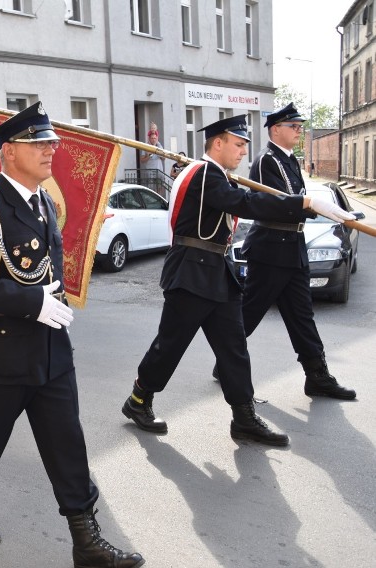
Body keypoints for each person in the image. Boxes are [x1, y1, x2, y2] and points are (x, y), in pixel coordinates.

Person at [0, 102, 144, 568]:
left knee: (67, 442)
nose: (52, 148)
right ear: (9, 152)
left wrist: (52, 299)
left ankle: (86, 539)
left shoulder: (44, 204)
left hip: (51, 350)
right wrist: (32, 302)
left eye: (51, 141)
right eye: (40, 142)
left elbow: (46, 269)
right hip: (1, 351)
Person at [120, 115, 355, 447]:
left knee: (233, 347)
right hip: (190, 271)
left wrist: (308, 206)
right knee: (170, 345)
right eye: (239, 144)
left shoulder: (215, 175)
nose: (244, 151)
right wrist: (302, 203)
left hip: (216, 269)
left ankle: (243, 418)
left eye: (245, 145)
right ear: (218, 143)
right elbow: (246, 203)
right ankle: (139, 399)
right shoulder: (205, 175)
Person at [238, 103, 356, 400]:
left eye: (300, 126)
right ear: (275, 129)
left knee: (302, 316)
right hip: (270, 251)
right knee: (249, 313)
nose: (299, 131)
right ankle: (227, 362)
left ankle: (317, 376)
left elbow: (296, 203)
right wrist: (308, 205)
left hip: (293, 249)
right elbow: (274, 204)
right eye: (294, 126)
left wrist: (314, 207)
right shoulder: (266, 161)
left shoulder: (289, 160)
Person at [139, 128, 166, 194]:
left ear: (157, 138)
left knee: (160, 186)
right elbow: (142, 160)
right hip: (150, 171)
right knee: (151, 188)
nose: (154, 140)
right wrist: (148, 156)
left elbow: (164, 158)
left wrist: (160, 154)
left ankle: (160, 199)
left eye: (155, 138)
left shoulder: (159, 146)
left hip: (159, 170)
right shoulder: (146, 146)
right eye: (152, 138)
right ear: (149, 138)